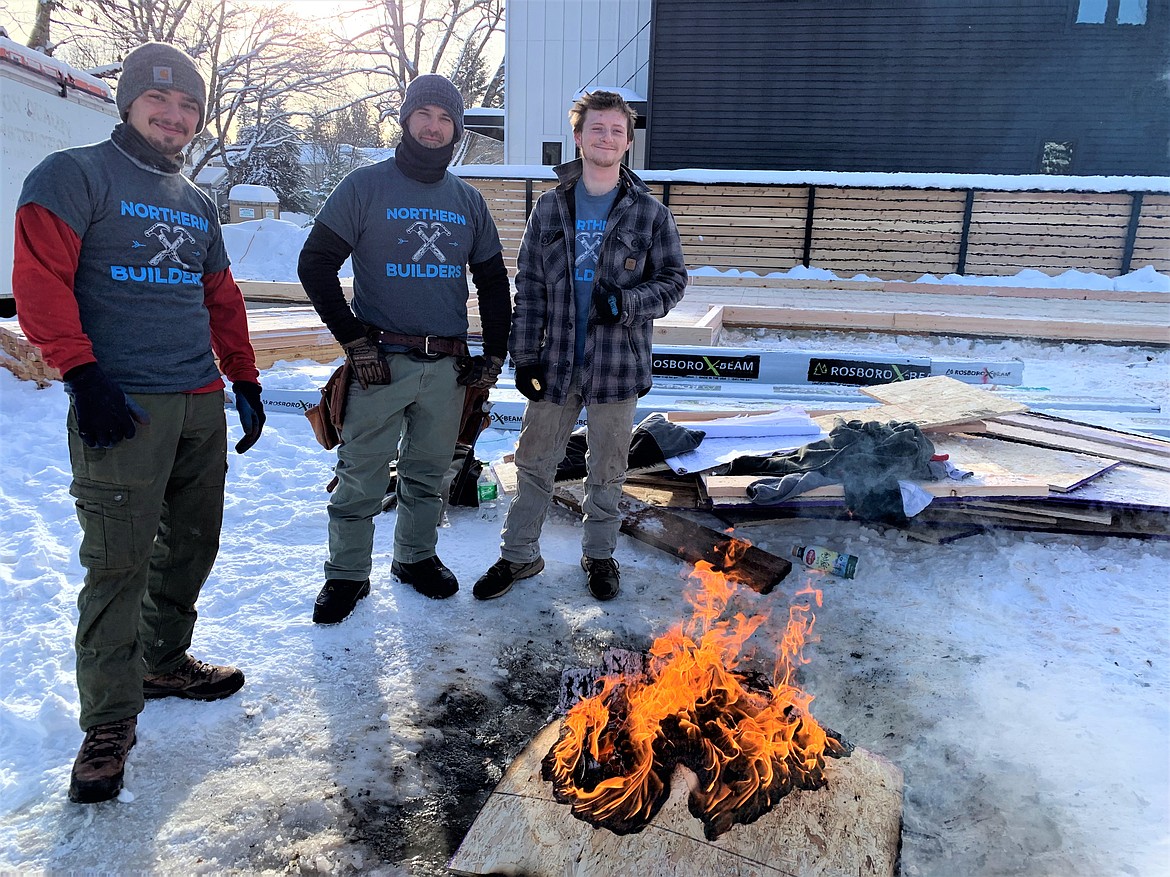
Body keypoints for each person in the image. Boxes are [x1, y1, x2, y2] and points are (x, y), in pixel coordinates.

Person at [12, 42, 265, 804]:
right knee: (118, 562)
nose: (175, 115)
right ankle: (108, 721)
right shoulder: (73, 175)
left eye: (189, 105)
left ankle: (165, 657)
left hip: (196, 401)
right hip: (122, 405)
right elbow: (39, 281)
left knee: (192, 542)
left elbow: (221, 297)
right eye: (161, 100)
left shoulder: (195, 201)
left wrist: (244, 377)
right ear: (127, 102)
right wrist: (81, 372)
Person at [298, 74, 511, 622]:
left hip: (446, 366)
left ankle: (415, 558)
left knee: (429, 471)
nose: (434, 126)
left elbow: (492, 282)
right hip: (380, 365)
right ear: (406, 120)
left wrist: (494, 354)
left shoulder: (467, 201)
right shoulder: (365, 187)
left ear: (457, 130)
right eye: (425, 115)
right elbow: (315, 265)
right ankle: (346, 575)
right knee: (361, 472)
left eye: (446, 119)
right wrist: (352, 339)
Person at [472, 90, 687, 603]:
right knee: (534, 463)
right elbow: (528, 286)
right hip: (554, 361)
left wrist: (629, 303)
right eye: (597, 129)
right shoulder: (548, 208)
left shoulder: (650, 215)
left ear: (628, 141)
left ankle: (599, 556)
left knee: (608, 468)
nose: (606, 138)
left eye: (616, 130)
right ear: (578, 137)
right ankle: (519, 556)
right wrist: (524, 358)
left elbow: (675, 281)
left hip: (617, 366)